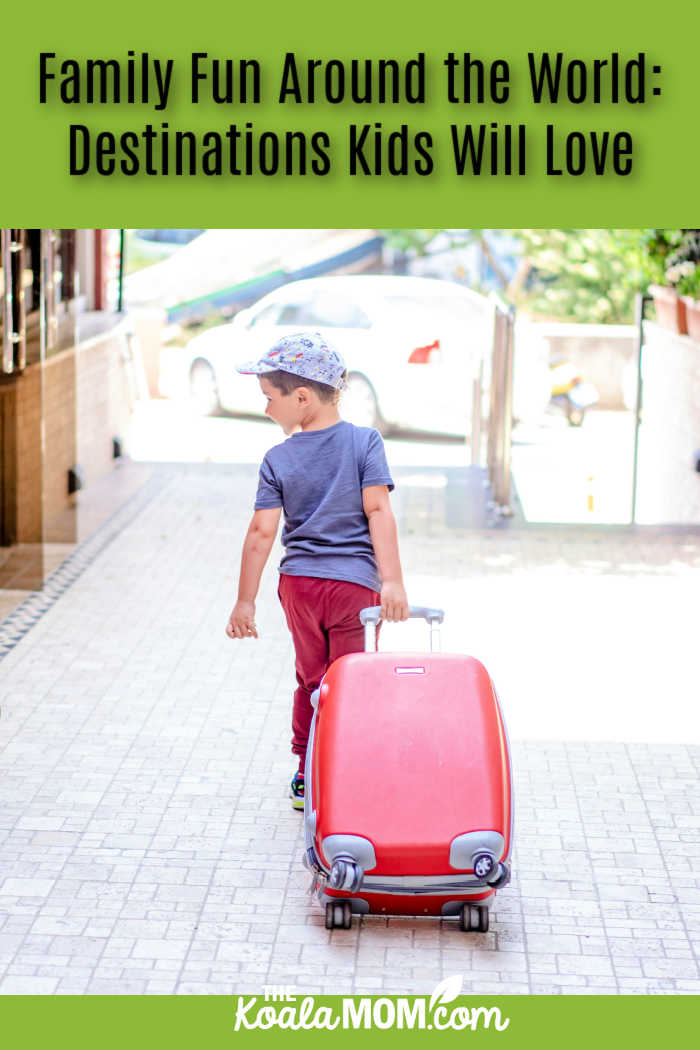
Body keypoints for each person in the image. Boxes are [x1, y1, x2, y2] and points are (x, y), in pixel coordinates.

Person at [225, 331, 409, 809]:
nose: (267, 410)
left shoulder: (277, 459)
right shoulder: (366, 443)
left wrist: (245, 600)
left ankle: (306, 773)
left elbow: (261, 534)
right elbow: (378, 511)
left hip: (300, 587)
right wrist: (391, 580)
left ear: (301, 397)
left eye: (270, 399)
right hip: (354, 589)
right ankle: (348, 769)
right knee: (352, 680)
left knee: (312, 679)